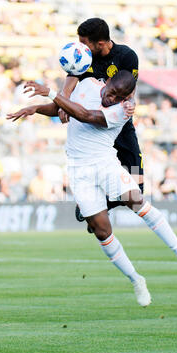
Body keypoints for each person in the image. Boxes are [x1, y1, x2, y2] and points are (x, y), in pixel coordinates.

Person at [7, 71, 177, 307]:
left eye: (118, 97)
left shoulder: (122, 111)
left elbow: (85, 115)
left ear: (126, 98)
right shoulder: (86, 84)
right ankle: (136, 279)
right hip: (79, 172)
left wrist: (51, 92)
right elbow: (64, 108)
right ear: (106, 82)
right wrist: (36, 109)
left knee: (139, 204)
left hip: (106, 166)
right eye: (111, 92)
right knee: (101, 230)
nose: (111, 98)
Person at [58, 18, 143, 226]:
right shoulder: (82, 58)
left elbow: (129, 87)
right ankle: (93, 211)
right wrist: (63, 102)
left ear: (101, 44)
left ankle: (98, 208)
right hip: (92, 127)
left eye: (84, 43)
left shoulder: (126, 56)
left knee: (138, 187)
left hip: (117, 126)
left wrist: (131, 102)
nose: (80, 47)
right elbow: (70, 82)